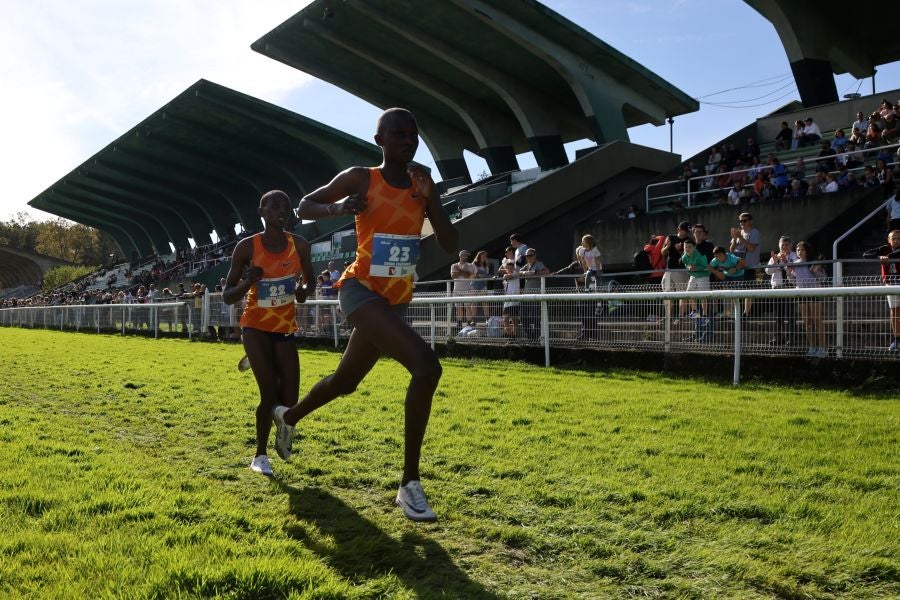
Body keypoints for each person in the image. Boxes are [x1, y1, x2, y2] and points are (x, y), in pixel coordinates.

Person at [271, 108, 458, 522]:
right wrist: (339, 207)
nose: (408, 140)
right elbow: (304, 206)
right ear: (380, 141)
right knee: (426, 368)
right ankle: (410, 483)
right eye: (398, 134)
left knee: (345, 381)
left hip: (396, 298)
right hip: (360, 291)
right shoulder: (361, 177)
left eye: (413, 134)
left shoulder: (422, 182)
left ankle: (288, 416)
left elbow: (449, 242)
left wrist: (430, 201)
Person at [222, 190, 314, 476]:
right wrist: (248, 281)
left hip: (284, 327)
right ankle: (260, 456)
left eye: (286, 205)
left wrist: (301, 292)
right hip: (255, 326)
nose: (282, 210)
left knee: (290, 400)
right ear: (261, 211)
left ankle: (284, 426)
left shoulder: (299, 245)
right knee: (269, 393)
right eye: (275, 205)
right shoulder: (247, 247)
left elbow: (309, 283)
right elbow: (227, 295)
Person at [787, 241, 828, 358]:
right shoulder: (795, 264)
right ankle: (812, 347)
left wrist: (816, 271)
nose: (800, 252)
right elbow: (793, 281)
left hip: (814, 292)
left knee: (817, 320)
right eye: (798, 250)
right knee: (807, 322)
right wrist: (789, 273)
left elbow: (823, 278)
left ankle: (823, 348)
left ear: (807, 250)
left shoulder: (814, 262)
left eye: (802, 249)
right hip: (802, 294)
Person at [863, 230, 900, 351]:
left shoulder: (893, 253)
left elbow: (896, 255)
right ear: (889, 240)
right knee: (894, 312)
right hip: (890, 283)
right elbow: (866, 254)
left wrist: (887, 258)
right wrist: (880, 257)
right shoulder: (885, 249)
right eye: (893, 238)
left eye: (898, 238)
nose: (896, 241)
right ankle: (897, 339)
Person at [764, 236, 798, 346]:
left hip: (789, 287)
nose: (784, 247)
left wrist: (785, 261)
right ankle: (778, 338)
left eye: (787, 244)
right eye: (782, 245)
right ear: (779, 245)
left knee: (790, 315)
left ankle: (791, 339)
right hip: (777, 288)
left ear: (791, 245)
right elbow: (768, 271)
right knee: (778, 316)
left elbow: (794, 270)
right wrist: (775, 262)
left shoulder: (794, 255)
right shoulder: (776, 256)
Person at [661, 221, 692, 323]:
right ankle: (668, 318)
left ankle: (680, 317)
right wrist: (668, 246)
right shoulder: (670, 237)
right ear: (679, 229)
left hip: (681, 270)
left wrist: (680, 250)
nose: (687, 233)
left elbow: (689, 256)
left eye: (688, 231)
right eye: (685, 230)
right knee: (667, 294)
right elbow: (663, 252)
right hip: (669, 270)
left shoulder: (688, 240)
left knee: (681, 295)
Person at [518, 247, 550, 340]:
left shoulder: (539, 264)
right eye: (527, 256)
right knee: (523, 316)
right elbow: (519, 273)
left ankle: (536, 338)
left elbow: (546, 271)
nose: (528, 257)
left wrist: (534, 272)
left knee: (535, 317)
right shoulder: (526, 265)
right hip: (526, 296)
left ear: (535, 256)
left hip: (536, 296)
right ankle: (530, 337)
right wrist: (526, 272)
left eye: (530, 255)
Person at [450, 249, 477, 328]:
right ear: (460, 256)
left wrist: (459, 271)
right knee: (458, 307)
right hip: (457, 289)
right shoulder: (453, 265)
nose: (465, 257)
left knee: (467, 307)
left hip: (467, 289)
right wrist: (464, 272)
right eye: (464, 255)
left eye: (466, 255)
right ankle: (459, 323)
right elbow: (453, 276)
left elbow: (471, 276)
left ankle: (469, 322)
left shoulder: (471, 265)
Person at [470, 250, 491, 322]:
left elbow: (487, 273)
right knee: (474, 302)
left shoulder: (485, 265)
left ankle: (487, 318)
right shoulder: (474, 264)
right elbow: (472, 275)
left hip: (483, 285)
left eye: (485, 256)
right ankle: (473, 319)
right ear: (479, 256)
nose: (484, 257)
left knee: (485, 301)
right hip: (475, 285)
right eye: (483, 256)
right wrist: (477, 275)